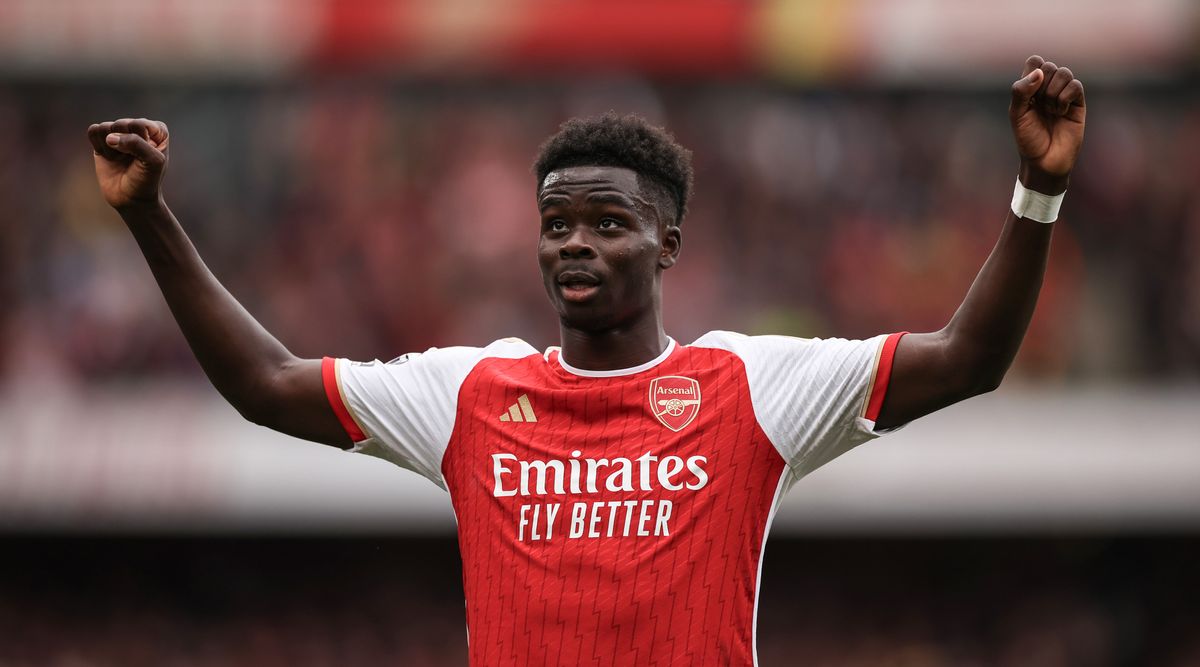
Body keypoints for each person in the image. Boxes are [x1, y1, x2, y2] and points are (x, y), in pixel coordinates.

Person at [87, 55, 1085, 666]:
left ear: (669, 244)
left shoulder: (752, 385)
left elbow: (969, 358)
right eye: (556, 222)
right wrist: (149, 215)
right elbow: (266, 383)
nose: (574, 242)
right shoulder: (470, 392)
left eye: (609, 222)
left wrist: (1036, 192)